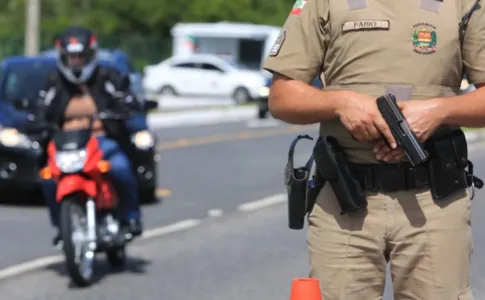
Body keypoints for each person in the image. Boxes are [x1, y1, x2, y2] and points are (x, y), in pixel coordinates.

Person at [264, 0, 485, 299]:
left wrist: (438, 112)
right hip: (345, 200)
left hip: (435, 200)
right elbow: (281, 96)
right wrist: (340, 103)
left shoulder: (466, 3)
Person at [35, 26, 146, 247]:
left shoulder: (107, 77)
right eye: (71, 57)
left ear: (91, 55)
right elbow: (41, 109)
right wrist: (37, 123)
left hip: (99, 139)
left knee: (120, 168)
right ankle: (62, 226)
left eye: (80, 56)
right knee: (47, 179)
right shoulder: (53, 82)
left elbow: (125, 97)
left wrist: (125, 106)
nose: (76, 61)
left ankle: (131, 217)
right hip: (65, 143)